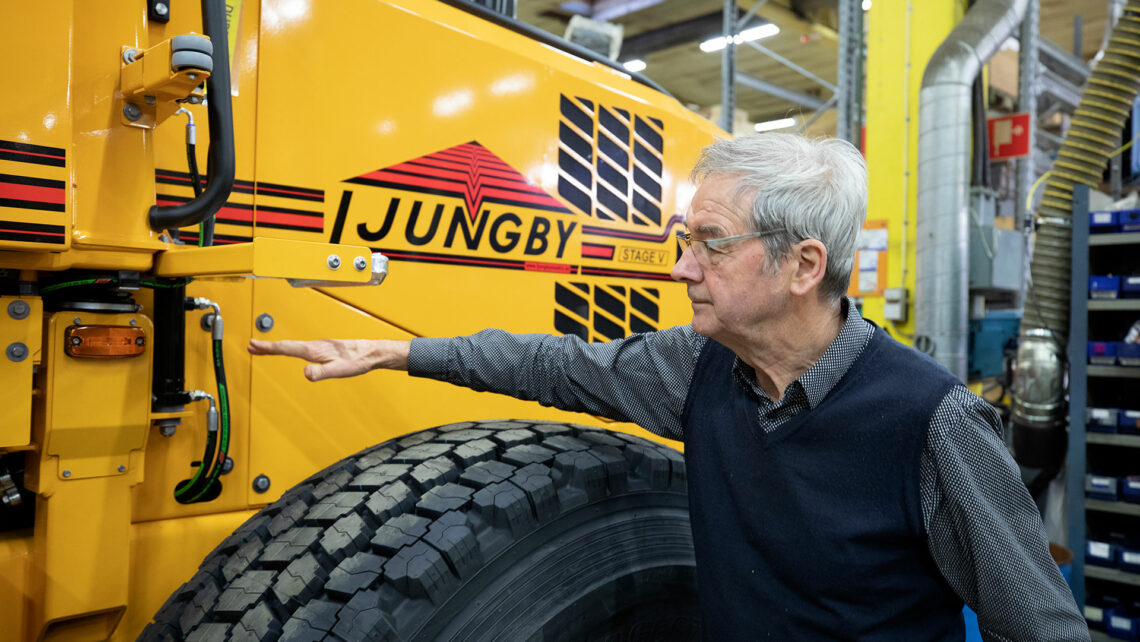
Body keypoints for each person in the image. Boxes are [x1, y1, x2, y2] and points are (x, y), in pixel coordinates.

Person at [249, 133, 1088, 640]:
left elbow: (1038, 627)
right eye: (683, 239)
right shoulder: (699, 369)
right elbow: (551, 365)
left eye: (711, 244)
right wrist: (403, 353)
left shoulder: (929, 421)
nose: (684, 267)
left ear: (803, 265)